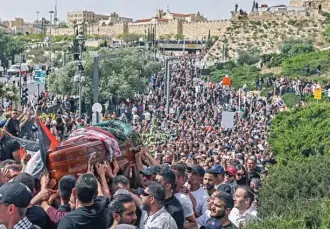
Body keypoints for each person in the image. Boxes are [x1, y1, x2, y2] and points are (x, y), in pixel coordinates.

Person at [170, 163, 198, 229]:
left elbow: (194, 225)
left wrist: (174, 225)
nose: (169, 178)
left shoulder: (183, 199)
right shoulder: (165, 192)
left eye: (172, 176)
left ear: (181, 179)